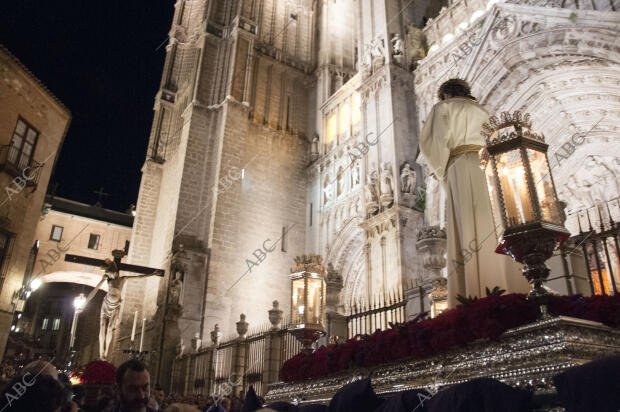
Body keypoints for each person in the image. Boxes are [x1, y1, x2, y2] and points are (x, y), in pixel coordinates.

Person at [420, 78, 529, 307]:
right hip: (487, 166)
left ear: (445, 95)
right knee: (493, 223)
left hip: (459, 165)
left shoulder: (443, 108)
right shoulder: (481, 110)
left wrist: (441, 170)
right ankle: (509, 285)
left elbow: (435, 143)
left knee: (465, 223)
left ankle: (472, 291)